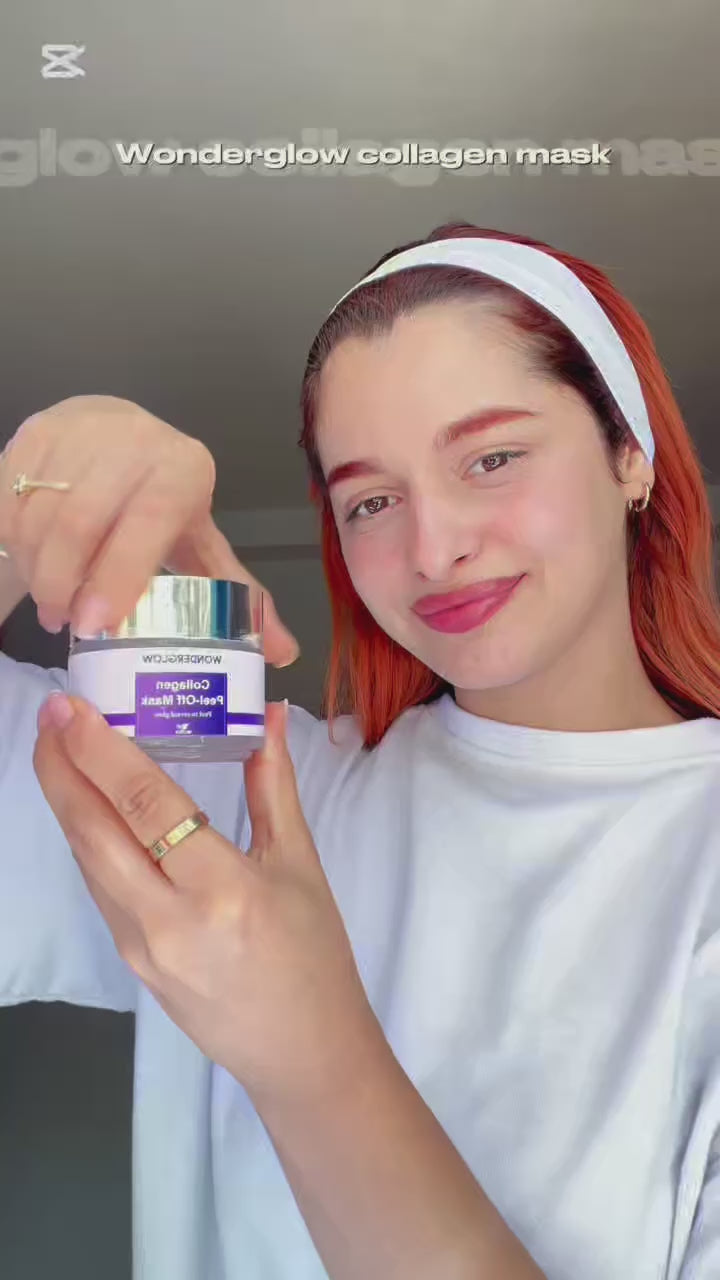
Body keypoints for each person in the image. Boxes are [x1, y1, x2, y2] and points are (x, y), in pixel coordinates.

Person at [0, 221, 718, 1280]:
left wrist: (312, 1057)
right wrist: (23, 517)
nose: (435, 547)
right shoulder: (237, 805)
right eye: (372, 500)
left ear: (630, 457)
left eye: (493, 457)